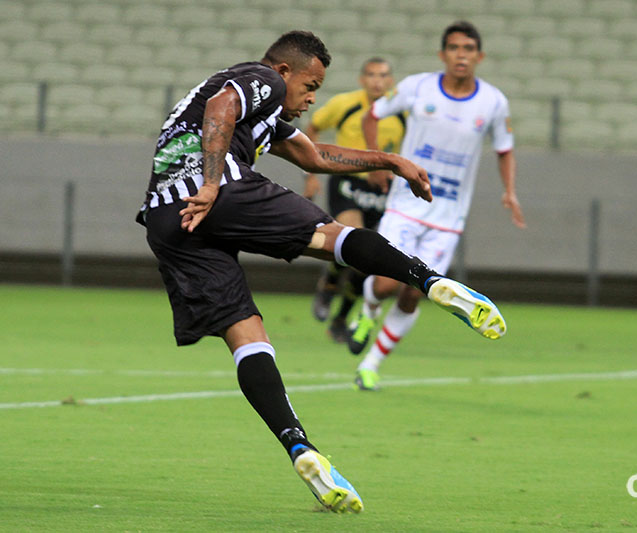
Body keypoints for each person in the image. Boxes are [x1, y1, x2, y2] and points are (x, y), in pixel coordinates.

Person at [136, 30, 506, 514]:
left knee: (246, 335)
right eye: (311, 85)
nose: (312, 98)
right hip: (213, 190)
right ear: (286, 71)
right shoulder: (262, 78)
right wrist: (210, 184)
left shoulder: (266, 114)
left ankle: (299, 447)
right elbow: (221, 107)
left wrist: (391, 160)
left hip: (167, 220)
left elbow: (314, 156)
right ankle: (429, 280)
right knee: (332, 239)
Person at [350, 21, 525, 391]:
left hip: (448, 217)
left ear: (480, 56)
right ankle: (367, 310)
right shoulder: (417, 86)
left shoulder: (493, 102)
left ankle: (371, 364)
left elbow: (505, 149)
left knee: (417, 291)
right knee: (384, 285)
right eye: (455, 48)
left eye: (469, 49)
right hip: (405, 205)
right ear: (443, 54)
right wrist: (376, 163)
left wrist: (510, 191)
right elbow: (372, 115)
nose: (462, 55)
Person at [302, 58, 404, 342]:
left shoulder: (402, 113)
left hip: (382, 187)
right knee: (353, 239)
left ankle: (341, 318)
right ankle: (330, 285)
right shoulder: (345, 104)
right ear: (362, 80)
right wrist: (311, 173)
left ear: (391, 80)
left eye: (383, 75)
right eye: (371, 75)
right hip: (347, 182)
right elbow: (313, 128)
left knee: (367, 260)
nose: (377, 81)